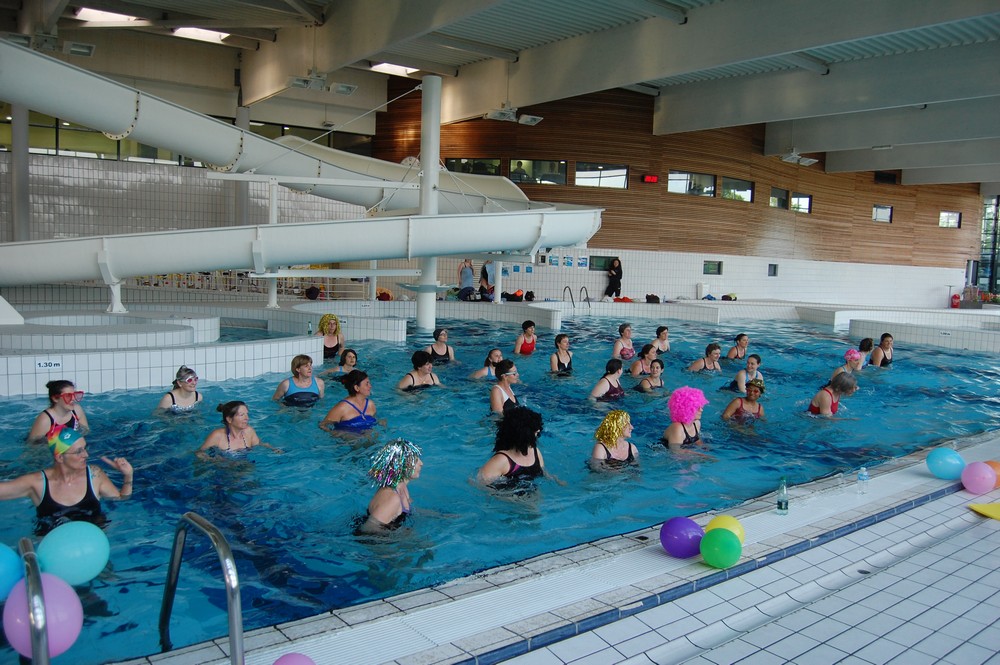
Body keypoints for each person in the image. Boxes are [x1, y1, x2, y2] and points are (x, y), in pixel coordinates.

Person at [0, 425, 133, 534]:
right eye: (79, 451)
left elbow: (121, 498)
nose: (86, 455)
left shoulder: (94, 475)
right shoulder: (37, 483)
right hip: (54, 550)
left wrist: (128, 475)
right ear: (59, 457)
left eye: (85, 448)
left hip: (93, 547)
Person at [359, 439, 423, 532]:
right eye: (416, 460)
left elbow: (410, 511)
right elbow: (367, 529)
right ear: (401, 465)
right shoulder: (392, 498)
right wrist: (403, 537)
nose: (421, 463)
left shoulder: (401, 486)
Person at [477, 407, 546, 484]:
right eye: (534, 429)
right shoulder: (501, 460)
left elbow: (543, 473)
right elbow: (480, 483)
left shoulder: (535, 452)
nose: (538, 430)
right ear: (523, 434)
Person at [199, 401, 280, 454]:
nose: (247, 418)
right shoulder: (217, 435)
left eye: (247, 414)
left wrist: (273, 449)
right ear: (229, 419)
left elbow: (259, 444)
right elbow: (199, 453)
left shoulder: (249, 431)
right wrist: (217, 462)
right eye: (242, 415)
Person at [662, 386, 708, 451]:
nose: (701, 410)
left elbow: (696, 440)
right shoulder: (677, 428)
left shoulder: (697, 423)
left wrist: (705, 448)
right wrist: (702, 455)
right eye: (697, 407)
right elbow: (675, 452)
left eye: (701, 407)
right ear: (687, 409)